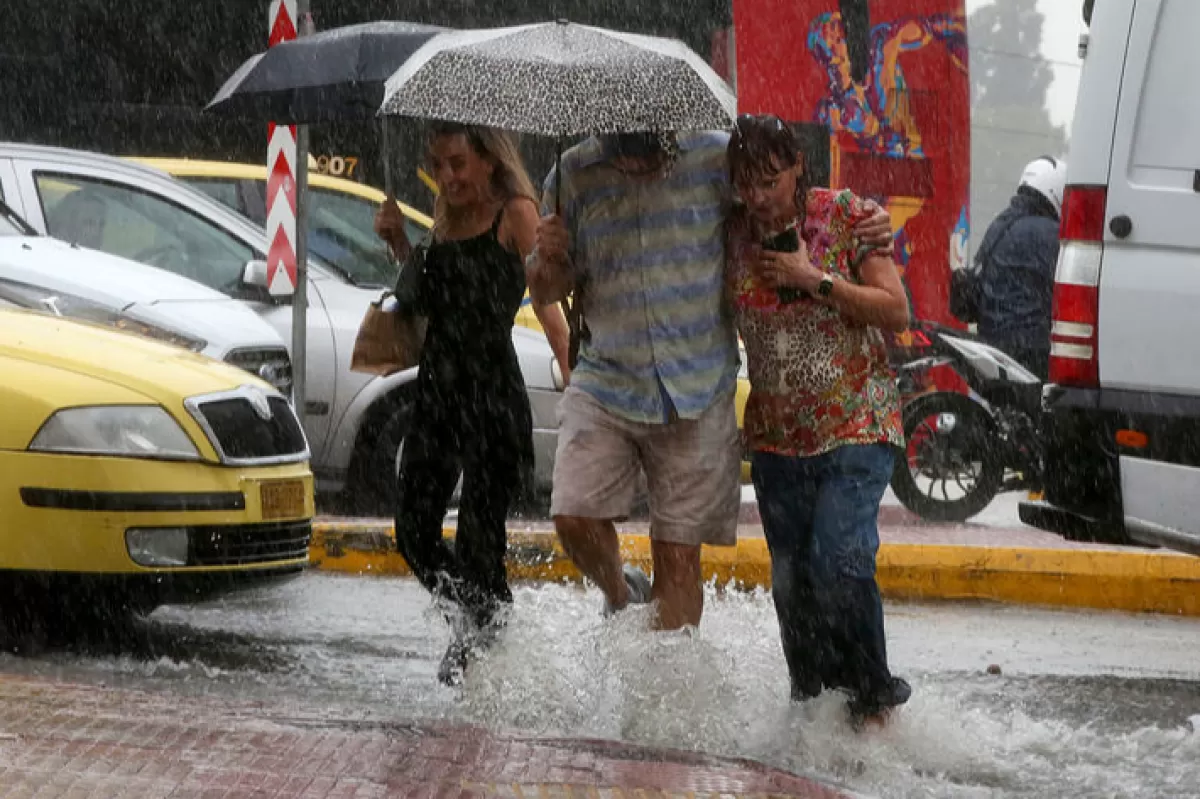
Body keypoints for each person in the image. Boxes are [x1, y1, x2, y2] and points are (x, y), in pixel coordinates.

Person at [528, 128, 892, 631]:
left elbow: (784, 197)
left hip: (696, 385)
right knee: (573, 515)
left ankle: (667, 675)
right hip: (606, 380)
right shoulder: (572, 172)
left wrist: (865, 219)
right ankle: (621, 591)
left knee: (678, 556)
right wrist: (550, 257)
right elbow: (545, 289)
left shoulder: (716, 157)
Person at [725, 114, 911, 725]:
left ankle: (872, 699)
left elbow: (896, 311)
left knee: (838, 560)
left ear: (798, 166)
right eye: (746, 183)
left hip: (856, 423)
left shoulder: (845, 216)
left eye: (771, 181)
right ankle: (813, 711)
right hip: (778, 441)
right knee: (791, 583)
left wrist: (816, 280)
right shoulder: (729, 234)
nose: (759, 196)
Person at [373, 122, 569, 685]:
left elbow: (547, 300)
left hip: (492, 395)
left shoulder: (515, 213)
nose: (447, 176)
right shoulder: (442, 221)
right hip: (438, 391)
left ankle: (484, 647)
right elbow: (429, 300)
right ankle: (482, 620)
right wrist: (400, 244)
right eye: (438, 165)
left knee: (481, 542)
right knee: (413, 530)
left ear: (488, 160)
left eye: (457, 163)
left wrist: (571, 369)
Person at [975, 156, 1067, 381]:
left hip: (990, 340)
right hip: (1030, 347)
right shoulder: (1051, 234)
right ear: (1056, 191)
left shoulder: (999, 224)